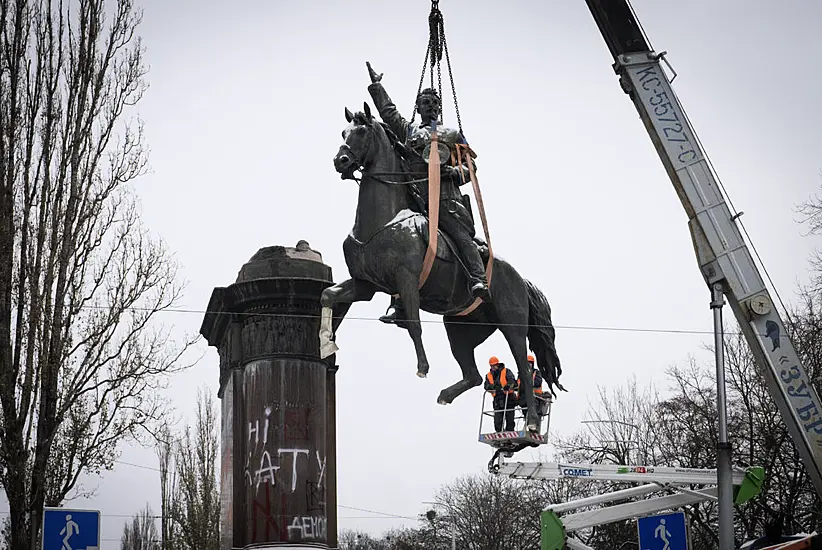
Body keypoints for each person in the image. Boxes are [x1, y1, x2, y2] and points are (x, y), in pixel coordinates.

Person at [365, 61, 490, 325]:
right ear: (418, 107)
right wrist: (377, 87)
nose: (430, 106)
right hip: (417, 199)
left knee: (459, 235)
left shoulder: (452, 133)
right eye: (425, 103)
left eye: (434, 103)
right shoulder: (409, 131)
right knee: (397, 243)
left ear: (439, 107)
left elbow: (471, 167)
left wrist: (454, 173)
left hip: (447, 200)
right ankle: (399, 303)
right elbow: (389, 113)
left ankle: (478, 279)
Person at [483, 356, 517, 432]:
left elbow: (512, 381)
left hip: (508, 398)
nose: (493, 367)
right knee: (497, 420)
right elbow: (486, 385)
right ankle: (499, 433)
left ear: (498, 364)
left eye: (494, 365)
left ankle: (510, 432)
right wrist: (492, 387)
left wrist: (508, 386)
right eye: (491, 366)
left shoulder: (506, 371)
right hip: (497, 400)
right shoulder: (489, 375)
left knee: (510, 418)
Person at [517, 354, 546, 424]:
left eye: (529, 363)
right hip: (523, 397)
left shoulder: (536, 373)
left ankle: (533, 424)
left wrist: (528, 383)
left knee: (533, 411)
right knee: (525, 411)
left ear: (532, 364)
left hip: (535, 396)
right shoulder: (521, 374)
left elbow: (538, 382)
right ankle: (529, 423)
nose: (528, 365)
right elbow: (517, 384)